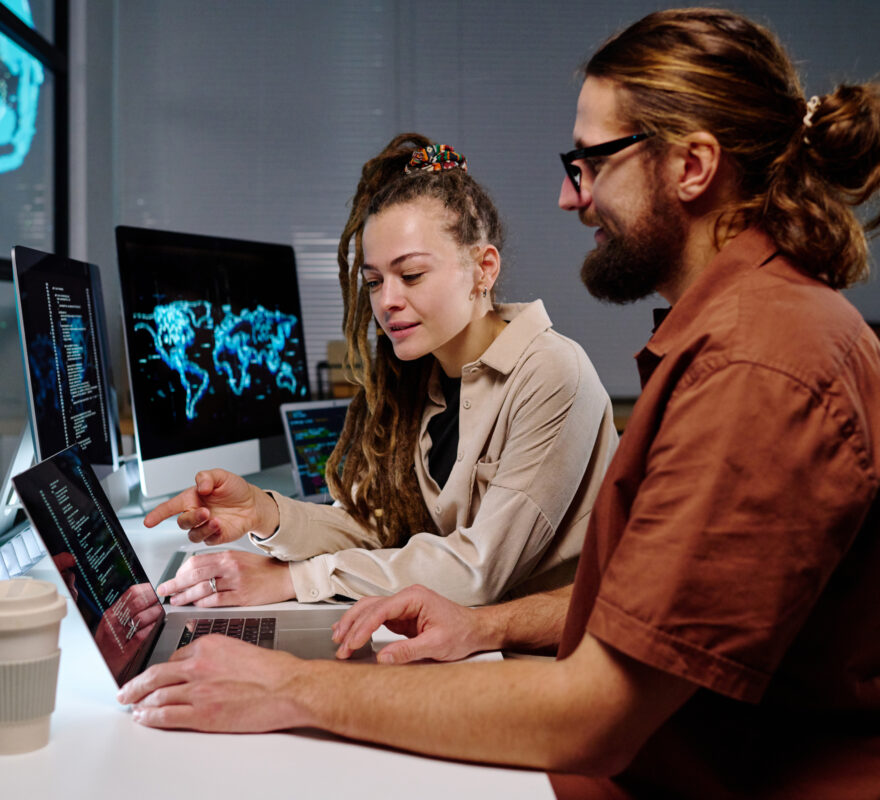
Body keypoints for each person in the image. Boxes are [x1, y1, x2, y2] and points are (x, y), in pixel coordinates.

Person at [118, 9, 880, 798]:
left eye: (590, 161)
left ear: (692, 166)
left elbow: (597, 714)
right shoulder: (742, 338)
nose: (566, 195)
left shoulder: (759, 366)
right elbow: (647, 608)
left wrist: (286, 687)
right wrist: (487, 625)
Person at [147, 133, 617, 608]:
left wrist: (295, 581)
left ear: (483, 269)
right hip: (465, 641)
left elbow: (479, 570)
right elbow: (374, 528)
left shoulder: (552, 371)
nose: (386, 301)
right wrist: (264, 512)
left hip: (545, 656)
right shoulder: (423, 378)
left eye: (410, 275)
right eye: (374, 281)